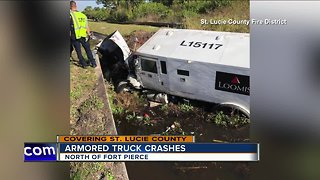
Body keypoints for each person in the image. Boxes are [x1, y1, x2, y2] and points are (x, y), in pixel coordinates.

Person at [70, 1, 97, 68]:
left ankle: (84, 64)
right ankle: (93, 63)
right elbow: (87, 27)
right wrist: (89, 34)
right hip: (84, 35)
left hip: (75, 35)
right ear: (76, 6)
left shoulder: (70, 15)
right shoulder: (83, 15)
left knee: (78, 51)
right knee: (88, 49)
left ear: (70, 7)